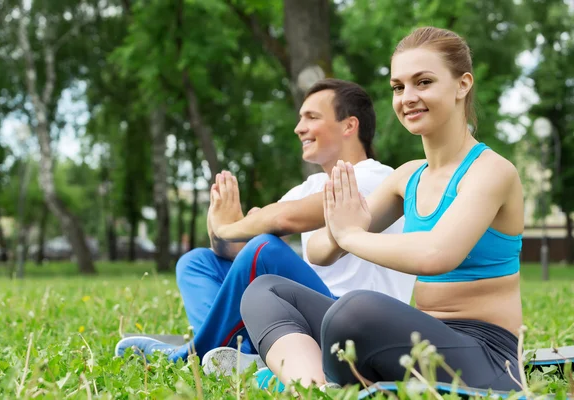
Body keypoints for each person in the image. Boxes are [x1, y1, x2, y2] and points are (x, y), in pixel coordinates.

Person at [240, 26, 524, 393]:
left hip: (487, 355)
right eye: (398, 86)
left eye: (423, 82)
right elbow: (320, 251)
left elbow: (436, 254)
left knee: (354, 311)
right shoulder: (406, 177)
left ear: (462, 84)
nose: (408, 97)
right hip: (416, 338)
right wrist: (341, 229)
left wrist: (351, 235)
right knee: (266, 290)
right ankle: (311, 385)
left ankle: (319, 377)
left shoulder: (491, 171)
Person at [114, 79, 416, 374]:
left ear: (349, 126)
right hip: (305, 310)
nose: (299, 128)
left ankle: (192, 354)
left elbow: (281, 219)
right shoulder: (309, 185)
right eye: (300, 118)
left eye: (311, 117)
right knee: (198, 262)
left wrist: (230, 227)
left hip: (355, 322)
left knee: (264, 249)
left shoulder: (374, 178)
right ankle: (236, 352)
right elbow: (240, 251)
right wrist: (218, 230)